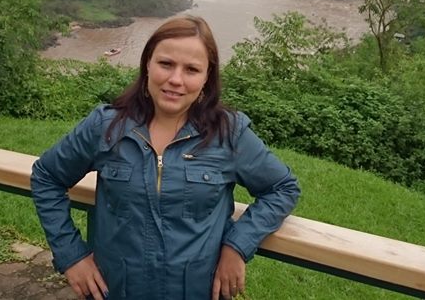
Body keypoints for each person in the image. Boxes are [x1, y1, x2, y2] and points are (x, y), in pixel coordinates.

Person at [31, 15, 300, 300]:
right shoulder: (106, 127)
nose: (176, 80)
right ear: (147, 63)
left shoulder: (227, 134)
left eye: (192, 69)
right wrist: (71, 256)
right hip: (116, 291)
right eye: (166, 64)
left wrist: (237, 245)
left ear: (207, 77)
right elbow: (47, 177)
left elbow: (282, 188)